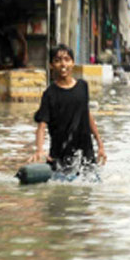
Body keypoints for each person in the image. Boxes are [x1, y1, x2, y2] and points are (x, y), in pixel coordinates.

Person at [30, 44, 107, 172]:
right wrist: (39, 150)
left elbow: (87, 114)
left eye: (67, 59)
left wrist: (100, 144)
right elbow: (42, 125)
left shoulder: (83, 87)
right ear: (51, 65)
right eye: (57, 60)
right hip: (60, 157)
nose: (63, 64)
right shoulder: (49, 94)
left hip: (85, 154)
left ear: (73, 63)